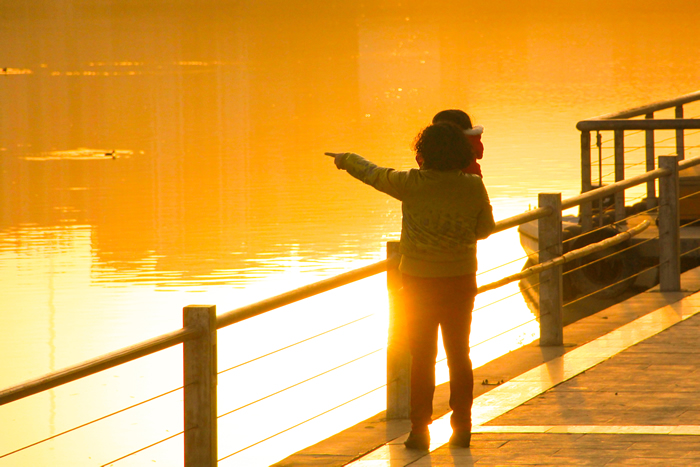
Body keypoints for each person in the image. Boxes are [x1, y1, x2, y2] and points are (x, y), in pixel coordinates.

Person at [325, 122, 495, 450]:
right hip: (460, 280)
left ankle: (420, 430)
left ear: (423, 153)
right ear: (461, 152)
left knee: (422, 357)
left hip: (418, 284)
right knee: (459, 354)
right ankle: (462, 427)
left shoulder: (410, 183)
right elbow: (485, 229)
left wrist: (346, 159)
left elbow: (374, 173)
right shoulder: (473, 186)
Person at [417, 109, 484, 178]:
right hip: (472, 175)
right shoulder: (473, 139)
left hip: (438, 178)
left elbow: (421, 161)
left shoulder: (435, 142)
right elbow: (479, 155)